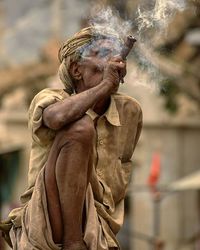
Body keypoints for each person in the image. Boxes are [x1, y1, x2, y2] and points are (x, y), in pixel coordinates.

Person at [0, 26, 142, 250]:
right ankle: (73, 241)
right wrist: (105, 86)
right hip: (46, 218)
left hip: (100, 221)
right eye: (103, 54)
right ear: (77, 70)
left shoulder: (130, 112)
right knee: (80, 128)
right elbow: (56, 118)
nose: (113, 61)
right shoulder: (51, 97)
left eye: (114, 54)